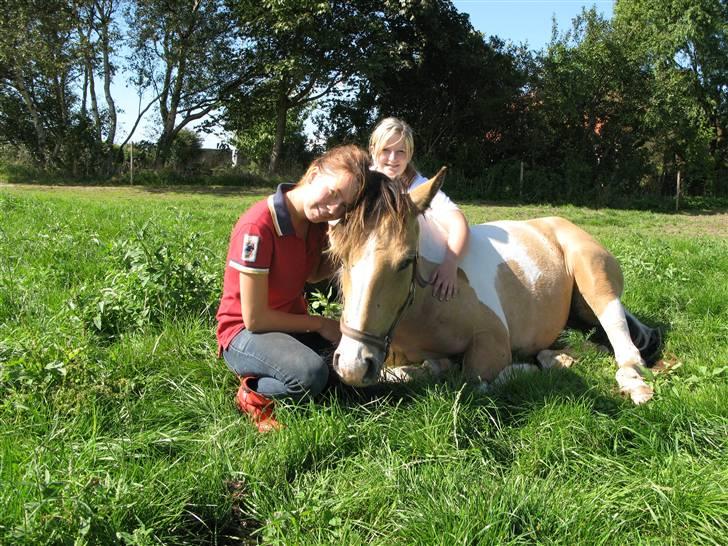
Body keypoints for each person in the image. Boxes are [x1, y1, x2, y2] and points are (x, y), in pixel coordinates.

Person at [216, 145, 373, 432]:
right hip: (245, 333)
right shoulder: (258, 226)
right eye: (334, 193)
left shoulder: (316, 224)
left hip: (290, 326)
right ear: (314, 173)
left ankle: (303, 378)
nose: (333, 208)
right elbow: (256, 318)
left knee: (348, 369)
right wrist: (320, 324)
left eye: (343, 206)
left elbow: (312, 274)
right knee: (311, 374)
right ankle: (254, 393)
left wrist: (343, 245)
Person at [369, 117, 470, 301]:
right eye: (386, 150)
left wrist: (450, 263)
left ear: (410, 154)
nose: (393, 158)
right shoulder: (361, 182)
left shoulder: (418, 187)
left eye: (400, 152)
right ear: (373, 150)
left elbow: (457, 222)